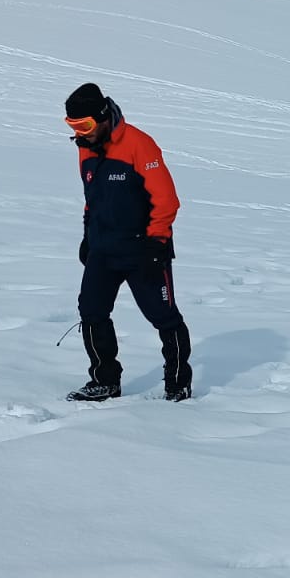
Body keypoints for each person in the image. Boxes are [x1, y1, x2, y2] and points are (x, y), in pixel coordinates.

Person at [63, 83, 193, 402]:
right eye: (72, 126)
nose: (80, 133)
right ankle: (105, 379)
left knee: (163, 316)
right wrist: (87, 234)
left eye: (85, 125)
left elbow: (167, 200)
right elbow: (93, 198)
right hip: (103, 249)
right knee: (91, 311)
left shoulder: (139, 144)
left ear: (103, 117)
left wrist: (156, 243)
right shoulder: (85, 148)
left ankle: (178, 383)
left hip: (144, 249)